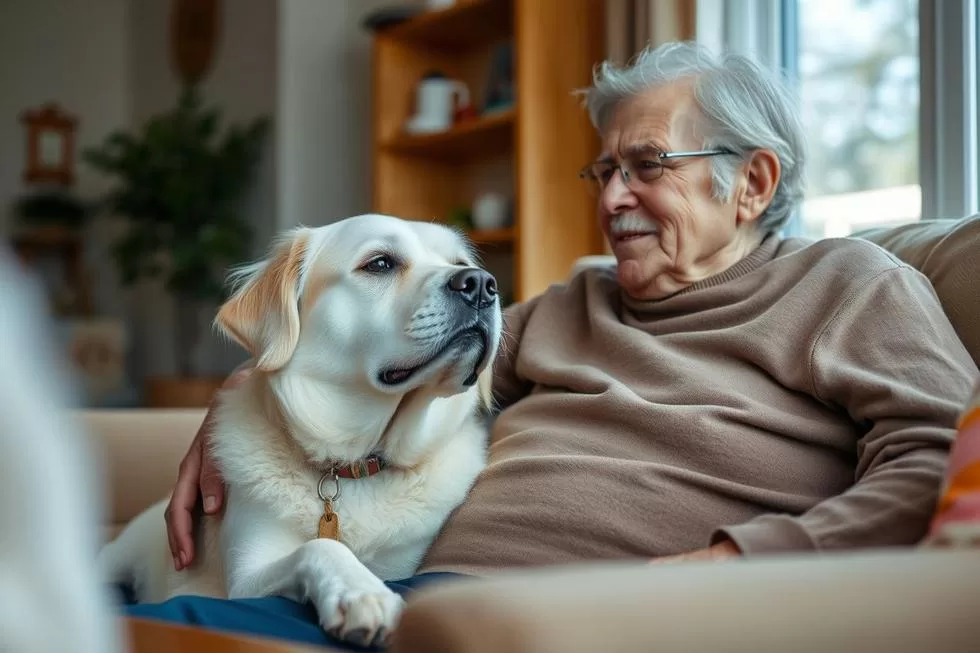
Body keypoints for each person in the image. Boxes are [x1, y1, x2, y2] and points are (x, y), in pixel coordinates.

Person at [129, 41, 980, 648]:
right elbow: (367, 358)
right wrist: (228, 410)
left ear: (751, 182)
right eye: (603, 171)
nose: (613, 199)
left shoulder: (850, 285)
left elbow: (939, 458)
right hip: (404, 608)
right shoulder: (574, 301)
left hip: (577, 619)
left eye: (648, 166)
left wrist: (737, 561)